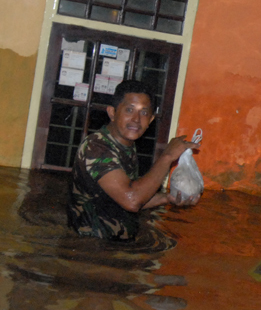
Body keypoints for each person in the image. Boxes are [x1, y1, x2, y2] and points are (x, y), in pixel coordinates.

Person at [67, 80, 200, 241]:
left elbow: (128, 195)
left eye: (144, 113)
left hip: (113, 246)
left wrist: (166, 199)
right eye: (129, 110)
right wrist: (167, 157)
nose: (136, 119)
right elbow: (132, 200)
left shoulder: (126, 145)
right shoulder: (97, 147)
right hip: (91, 249)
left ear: (150, 120)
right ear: (112, 113)